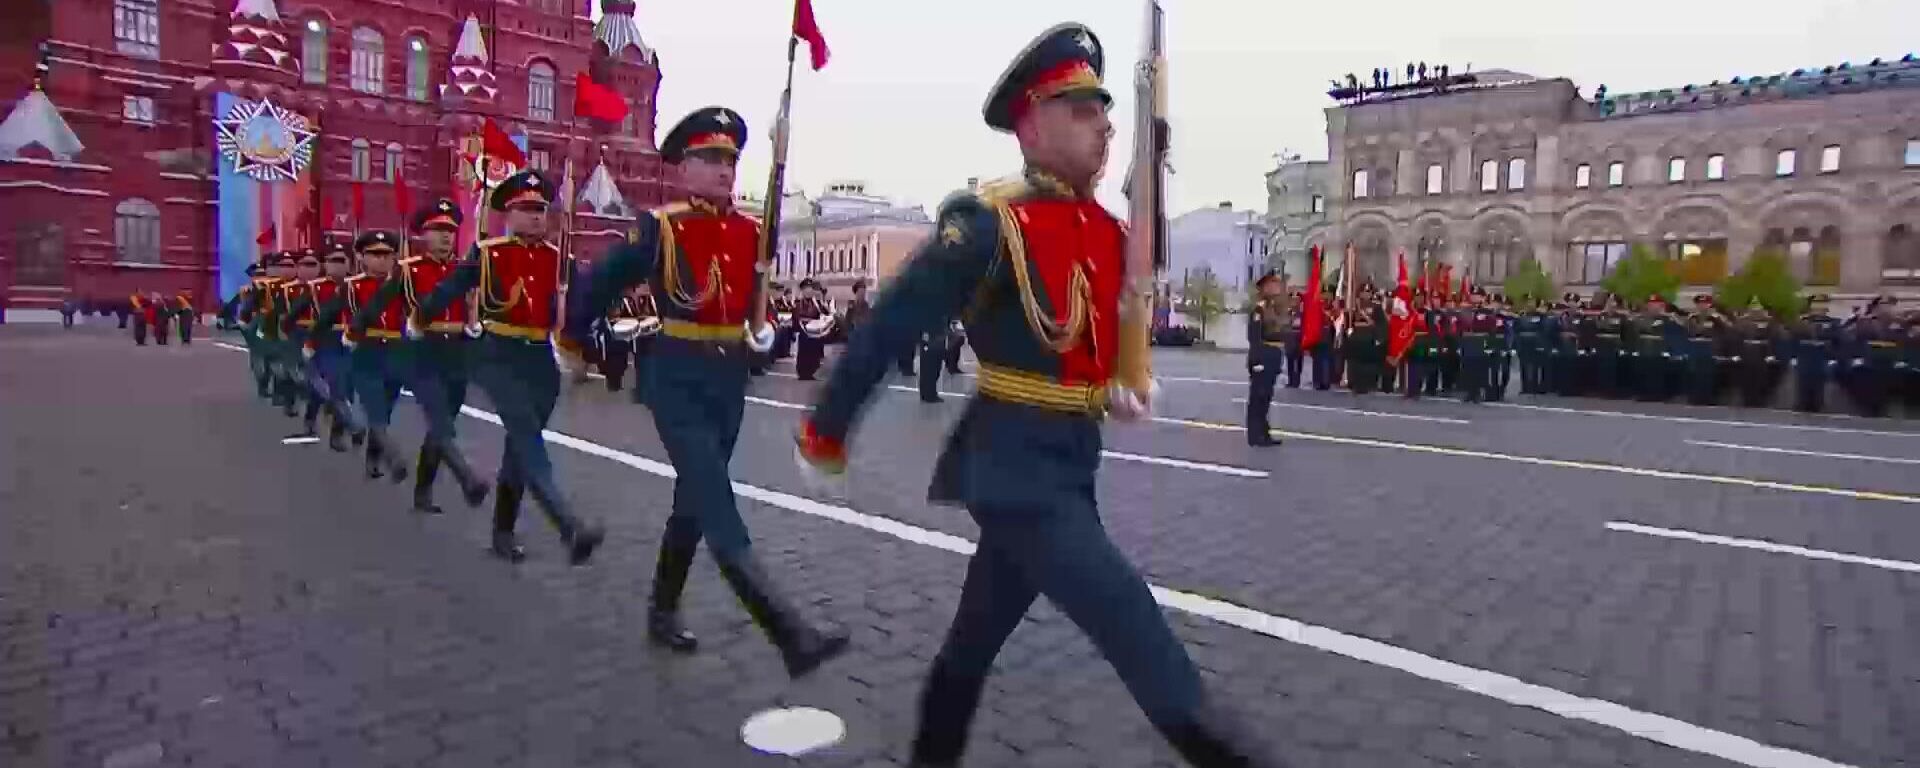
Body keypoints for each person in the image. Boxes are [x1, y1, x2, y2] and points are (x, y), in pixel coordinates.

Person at [793, 25, 1282, 767]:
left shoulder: (1108, 229)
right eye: (1082, 108)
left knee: (971, 644)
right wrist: (826, 430)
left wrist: (1120, 376)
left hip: (1071, 467)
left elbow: (1103, 327)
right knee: (1137, 629)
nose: (1106, 124)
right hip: (1014, 471)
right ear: (1030, 121)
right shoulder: (990, 222)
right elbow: (892, 325)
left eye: (1106, 110)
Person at [568, 106, 848, 673]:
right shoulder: (662, 227)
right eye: (712, 159)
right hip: (674, 378)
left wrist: (763, 333)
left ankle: (661, 611)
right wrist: (575, 336)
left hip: (727, 382)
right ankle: (788, 630)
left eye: (731, 160)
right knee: (714, 495)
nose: (725, 170)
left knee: (693, 503)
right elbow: (601, 283)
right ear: (683, 168)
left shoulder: (751, 230)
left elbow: (753, 303)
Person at [418, 170, 606, 565]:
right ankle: (568, 524)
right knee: (527, 438)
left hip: (540, 361)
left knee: (519, 450)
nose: (536, 216)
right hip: (496, 354)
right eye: (526, 209)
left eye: (541, 209)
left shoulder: (560, 260)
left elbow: (582, 309)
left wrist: (593, 339)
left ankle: (502, 532)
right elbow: (449, 289)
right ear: (508, 213)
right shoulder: (487, 253)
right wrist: (420, 320)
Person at [352, 199, 493, 515]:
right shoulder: (407, 270)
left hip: (456, 353)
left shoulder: (464, 271)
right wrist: (355, 331)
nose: (445, 237)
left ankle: (423, 489)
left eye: (450, 231)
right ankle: (467, 478)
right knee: (439, 420)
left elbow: (481, 311)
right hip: (419, 354)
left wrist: (476, 325)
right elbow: (376, 306)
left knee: (440, 427)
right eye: (438, 230)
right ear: (423, 235)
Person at [1244, 271, 1288, 446]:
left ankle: (1264, 432)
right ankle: (1255, 435)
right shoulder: (1259, 309)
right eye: (1273, 284)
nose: (1277, 287)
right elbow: (1254, 337)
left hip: (1273, 355)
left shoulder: (1274, 308)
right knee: (1258, 397)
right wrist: (1256, 361)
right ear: (1265, 288)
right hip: (1262, 355)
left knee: (1266, 396)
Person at [1792, 293, 1841, 413]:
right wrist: (1793, 356)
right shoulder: (1803, 322)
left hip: (1822, 356)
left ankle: (1819, 407)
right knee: (1803, 383)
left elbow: (1838, 341)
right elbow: (1793, 339)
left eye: (1822, 304)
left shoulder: (1833, 323)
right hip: (1805, 355)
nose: (1819, 308)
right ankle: (1801, 406)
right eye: (1816, 304)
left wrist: (1834, 358)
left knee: (1820, 385)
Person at [1733, 296, 1785, 407]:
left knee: (1761, 379)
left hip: (1762, 353)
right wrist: (1737, 353)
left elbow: (1774, 338)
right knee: (1746, 379)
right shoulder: (1742, 321)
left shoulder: (1770, 321)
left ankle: (1760, 402)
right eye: (1753, 305)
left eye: (1758, 306)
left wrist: (1771, 354)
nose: (1755, 308)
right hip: (1746, 352)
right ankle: (1746, 401)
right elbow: (1736, 338)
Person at [1681, 295, 1728, 405]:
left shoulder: (1716, 318)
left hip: (1710, 348)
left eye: (1705, 303)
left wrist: (1719, 350)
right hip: (1695, 348)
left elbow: (1724, 332)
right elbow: (1686, 333)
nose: (1702, 306)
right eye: (1700, 304)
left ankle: (1708, 398)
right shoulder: (1692, 318)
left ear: (1710, 305)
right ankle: (1694, 398)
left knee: (1708, 374)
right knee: (1694, 373)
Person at [1629, 294, 1677, 401]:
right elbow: (1634, 334)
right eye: (1651, 305)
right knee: (1643, 372)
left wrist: (1669, 350)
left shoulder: (1668, 318)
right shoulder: (1640, 318)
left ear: (1661, 306)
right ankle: (1644, 394)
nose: (1653, 307)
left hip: (1660, 349)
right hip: (1644, 348)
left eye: (1656, 305)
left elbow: (1674, 334)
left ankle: (1658, 395)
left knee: (1658, 373)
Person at [793, 278, 829, 380]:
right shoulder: (799, 304)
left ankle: (812, 371)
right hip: (805, 334)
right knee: (804, 353)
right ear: (802, 291)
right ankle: (802, 372)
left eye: (810, 289)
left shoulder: (817, 303)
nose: (808, 291)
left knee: (814, 354)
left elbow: (825, 314)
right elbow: (796, 318)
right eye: (806, 289)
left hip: (815, 335)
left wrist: (822, 302)